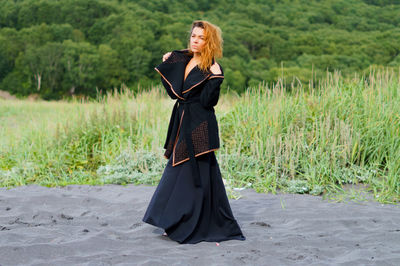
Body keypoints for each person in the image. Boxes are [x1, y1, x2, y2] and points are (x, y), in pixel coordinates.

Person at [142, 20, 246, 244]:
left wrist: (216, 79)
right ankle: (178, 221)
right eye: (194, 36)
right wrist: (170, 64)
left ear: (210, 42)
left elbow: (209, 102)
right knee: (193, 173)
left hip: (200, 125)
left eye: (201, 38)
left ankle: (180, 223)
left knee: (192, 173)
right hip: (182, 121)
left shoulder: (212, 67)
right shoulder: (184, 59)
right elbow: (175, 95)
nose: (196, 40)